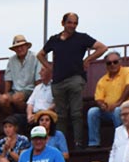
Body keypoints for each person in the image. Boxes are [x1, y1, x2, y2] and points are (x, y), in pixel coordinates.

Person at [36, 13, 107, 149]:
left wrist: (88, 59)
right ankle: (62, 146)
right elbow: (40, 54)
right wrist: (49, 67)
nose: (72, 26)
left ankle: (78, 143)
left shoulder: (81, 37)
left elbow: (102, 48)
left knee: (76, 113)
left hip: (75, 78)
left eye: (75, 23)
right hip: (58, 81)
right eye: (70, 22)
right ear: (63, 23)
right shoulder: (54, 39)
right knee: (61, 115)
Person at [88, 52, 129, 147]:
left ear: (120, 62)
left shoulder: (127, 71)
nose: (112, 65)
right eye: (109, 63)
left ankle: (120, 141)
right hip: (108, 110)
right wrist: (101, 105)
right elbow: (98, 98)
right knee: (92, 111)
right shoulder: (102, 80)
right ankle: (94, 143)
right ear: (105, 65)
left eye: (115, 62)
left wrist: (119, 103)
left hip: (127, 109)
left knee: (118, 111)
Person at [1, 35, 38, 114]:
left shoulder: (35, 57)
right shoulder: (11, 60)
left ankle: (24, 117)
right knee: (3, 99)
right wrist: (6, 94)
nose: (19, 49)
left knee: (16, 98)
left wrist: (38, 95)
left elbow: (39, 79)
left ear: (27, 46)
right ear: (14, 49)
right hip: (15, 91)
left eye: (22, 46)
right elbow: (8, 79)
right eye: (17, 47)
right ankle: (11, 119)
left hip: (31, 90)